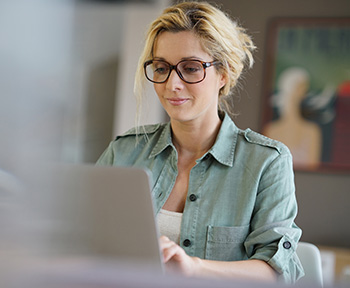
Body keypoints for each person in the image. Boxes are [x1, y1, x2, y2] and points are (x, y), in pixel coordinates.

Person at [97, 1, 304, 284]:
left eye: (191, 68)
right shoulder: (123, 152)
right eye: (161, 68)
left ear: (224, 73)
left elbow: (279, 273)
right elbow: (84, 242)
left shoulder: (267, 162)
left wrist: (194, 267)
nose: (172, 84)